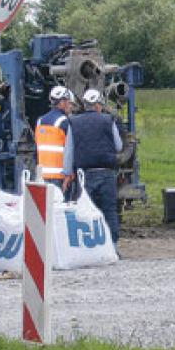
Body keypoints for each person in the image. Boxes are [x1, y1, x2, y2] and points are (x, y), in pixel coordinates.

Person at [69, 89, 123, 245]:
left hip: (85, 175)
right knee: (109, 211)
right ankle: (112, 246)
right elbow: (119, 146)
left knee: (86, 211)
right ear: (98, 104)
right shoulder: (108, 120)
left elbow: (69, 150)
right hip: (107, 174)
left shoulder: (74, 122)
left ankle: (89, 246)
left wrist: (67, 173)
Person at [34, 86, 76, 193]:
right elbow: (70, 150)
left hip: (42, 176)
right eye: (70, 103)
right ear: (62, 102)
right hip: (60, 177)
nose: (71, 107)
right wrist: (69, 174)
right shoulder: (64, 122)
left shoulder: (39, 121)